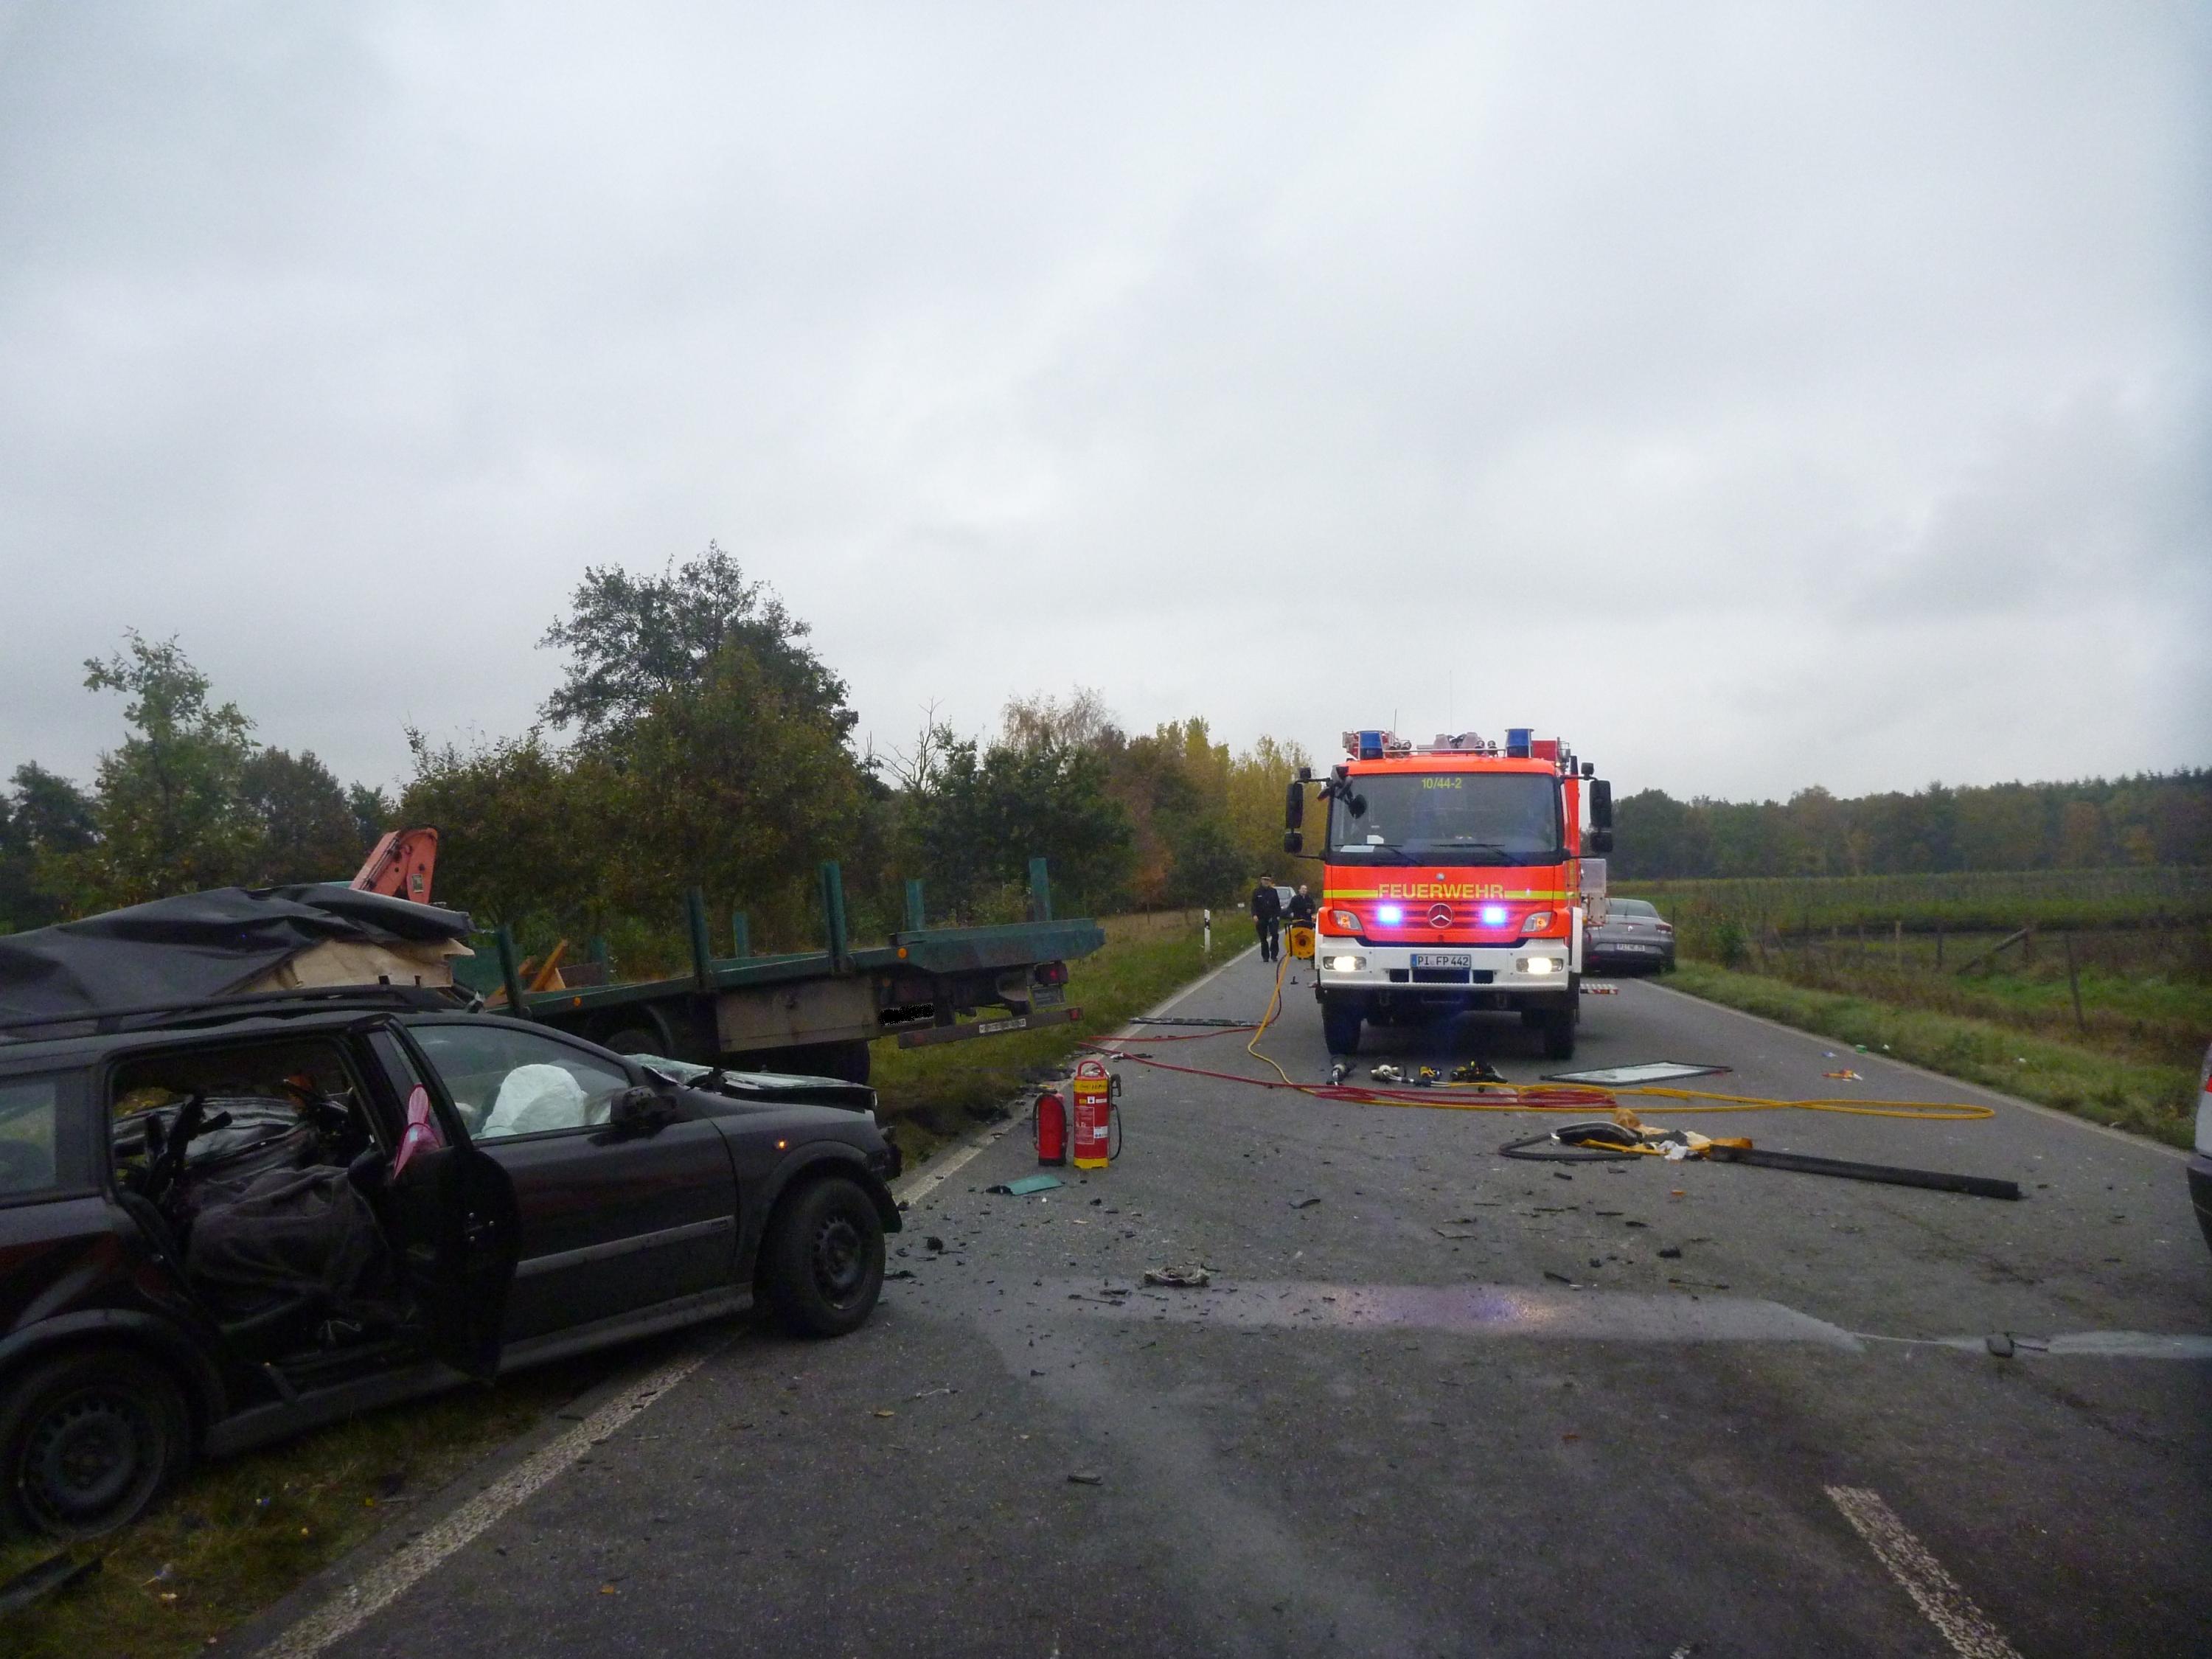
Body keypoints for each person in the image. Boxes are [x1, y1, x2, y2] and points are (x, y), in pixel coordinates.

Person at [1249, 876, 1282, 962]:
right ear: (1261, 881)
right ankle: (1265, 956)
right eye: (1265, 880)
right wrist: (1254, 915)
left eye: (1268, 880)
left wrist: (1278, 915)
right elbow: (1253, 905)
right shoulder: (1256, 892)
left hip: (1272, 916)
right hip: (1261, 917)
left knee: (1275, 935)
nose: (1266, 882)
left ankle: (1274, 954)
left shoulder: (1273, 891)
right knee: (1263, 937)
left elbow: (1277, 904)